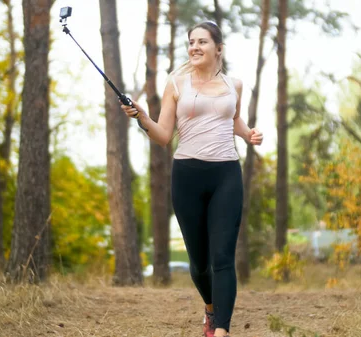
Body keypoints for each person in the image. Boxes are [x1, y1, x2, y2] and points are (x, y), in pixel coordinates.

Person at [121, 21, 263, 337]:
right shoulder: (177, 83)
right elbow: (163, 136)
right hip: (187, 176)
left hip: (226, 173)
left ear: (218, 48)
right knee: (199, 264)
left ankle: (222, 330)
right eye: (191, 42)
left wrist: (248, 133)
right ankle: (210, 309)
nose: (194, 47)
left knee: (223, 257)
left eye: (202, 41)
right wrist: (143, 118)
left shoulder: (234, 85)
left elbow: (232, 117)